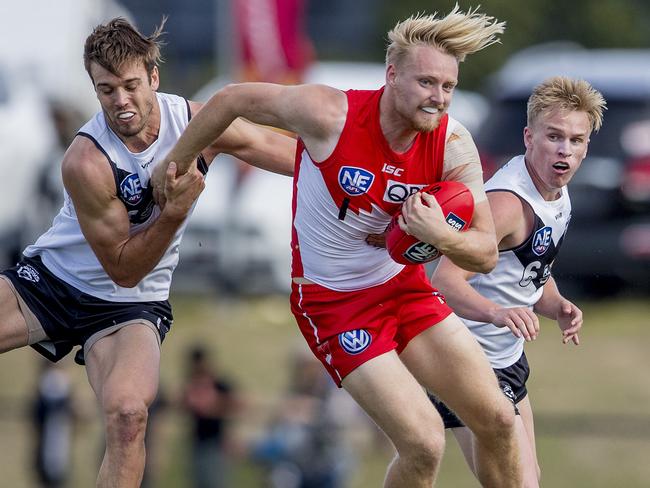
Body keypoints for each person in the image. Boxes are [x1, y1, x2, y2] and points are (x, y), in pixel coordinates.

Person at [162, 6, 525, 487]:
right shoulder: (328, 113)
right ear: (392, 75)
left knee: (500, 420)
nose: (438, 99)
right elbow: (230, 99)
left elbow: (483, 252)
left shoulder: (452, 144)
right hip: (335, 305)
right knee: (424, 444)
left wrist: (440, 236)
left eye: (448, 87)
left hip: (406, 291)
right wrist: (178, 162)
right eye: (426, 82)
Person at [0, 17, 295, 488]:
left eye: (131, 85)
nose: (121, 102)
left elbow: (282, 151)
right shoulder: (86, 159)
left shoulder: (195, 125)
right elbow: (122, 264)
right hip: (54, 282)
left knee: (128, 417)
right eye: (106, 90)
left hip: (130, 306)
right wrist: (175, 214)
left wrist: (354, 182)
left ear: (153, 77)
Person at [429, 76, 606, 486]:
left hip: (505, 361)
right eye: (554, 137)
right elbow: (444, 282)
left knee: (529, 479)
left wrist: (556, 304)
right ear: (529, 137)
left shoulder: (556, 193)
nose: (565, 149)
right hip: (465, 361)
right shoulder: (506, 204)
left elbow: (529, 268)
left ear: (586, 147)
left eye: (576, 140)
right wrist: (497, 314)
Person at [180, 345, 237, 488]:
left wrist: (209, 407)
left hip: (216, 441)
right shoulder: (192, 384)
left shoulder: (219, 383)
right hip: (198, 441)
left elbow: (234, 405)